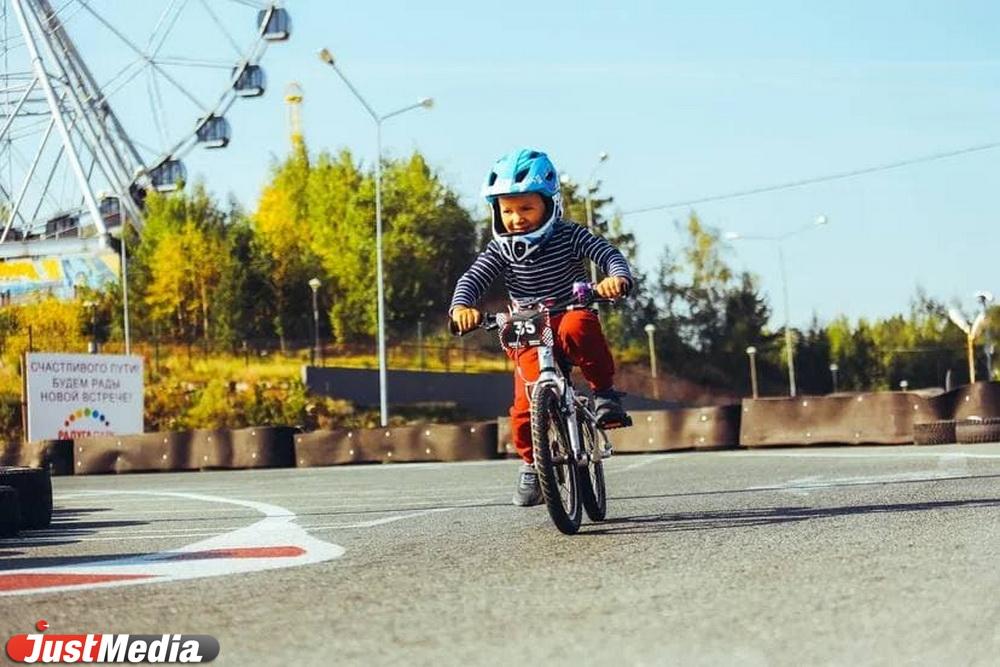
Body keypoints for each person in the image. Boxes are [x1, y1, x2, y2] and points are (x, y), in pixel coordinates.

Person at [449, 148, 635, 507]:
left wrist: (616, 278)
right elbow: (472, 278)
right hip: (527, 327)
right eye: (507, 211)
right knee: (523, 408)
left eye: (526, 208)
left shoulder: (569, 235)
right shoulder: (500, 249)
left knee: (579, 327)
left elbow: (607, 254)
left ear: (549, 205)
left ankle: (604, 394)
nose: (516, 218)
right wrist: (461, 307)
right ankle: (532, 464)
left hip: (568, 312)